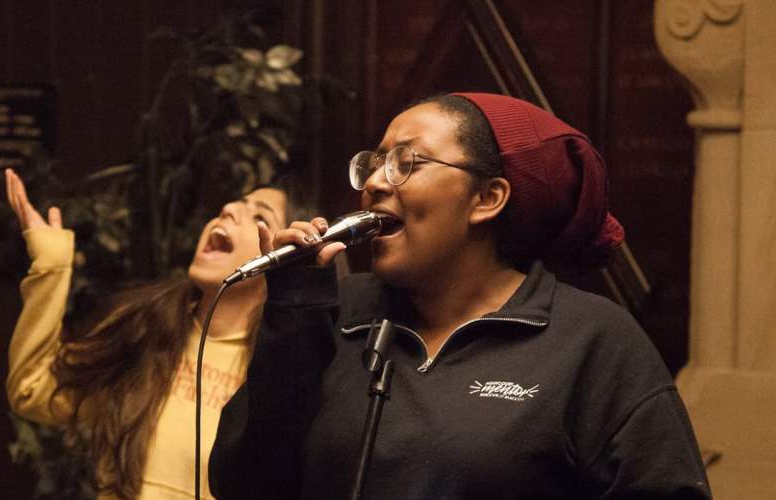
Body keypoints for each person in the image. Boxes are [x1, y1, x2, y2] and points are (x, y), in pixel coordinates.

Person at [209, 93, 712, 499]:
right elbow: (244, 486)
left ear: (487, 199)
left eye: (407, 162)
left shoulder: (593, 341)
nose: (377, 183)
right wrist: (294, 313)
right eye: (376, 163)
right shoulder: (338, 310)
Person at [3, 168, 314, 499]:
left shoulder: (279, 369)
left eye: (259, 216)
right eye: (236, 202)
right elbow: (32, 389)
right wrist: (50, 266)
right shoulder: (145, 330)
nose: (228, 209)